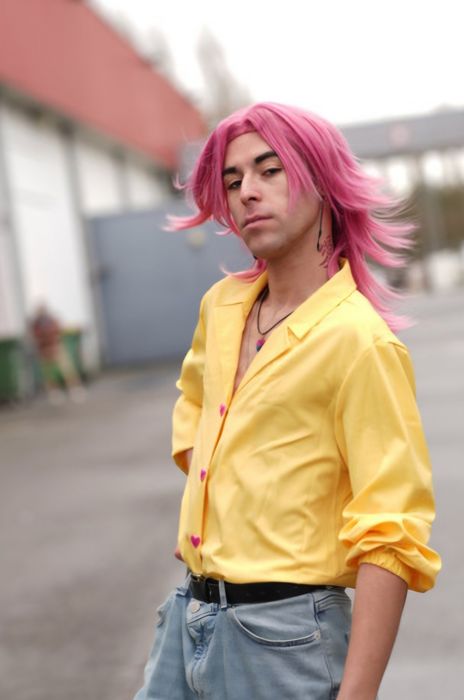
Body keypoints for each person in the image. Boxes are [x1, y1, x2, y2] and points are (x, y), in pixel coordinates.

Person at [134, 102, 441, 700]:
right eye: (233, 180)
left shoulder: (359, 342)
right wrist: (221, 513)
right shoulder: (222, 307)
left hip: (286, 636)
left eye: (270, 171)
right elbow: (195, 409)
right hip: (188, 617)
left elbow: (392, 535)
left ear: (322, 182)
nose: (247, 192)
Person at [30, 302, 86, 404]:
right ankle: (54, 392)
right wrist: (44, 347)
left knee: (67, 370)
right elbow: (36, 336)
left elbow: (58, 331)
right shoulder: (36, 323)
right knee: (49, 374)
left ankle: (74, 389)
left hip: (56, 348)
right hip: (44, 351)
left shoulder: (51, 320)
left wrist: (54, 345)